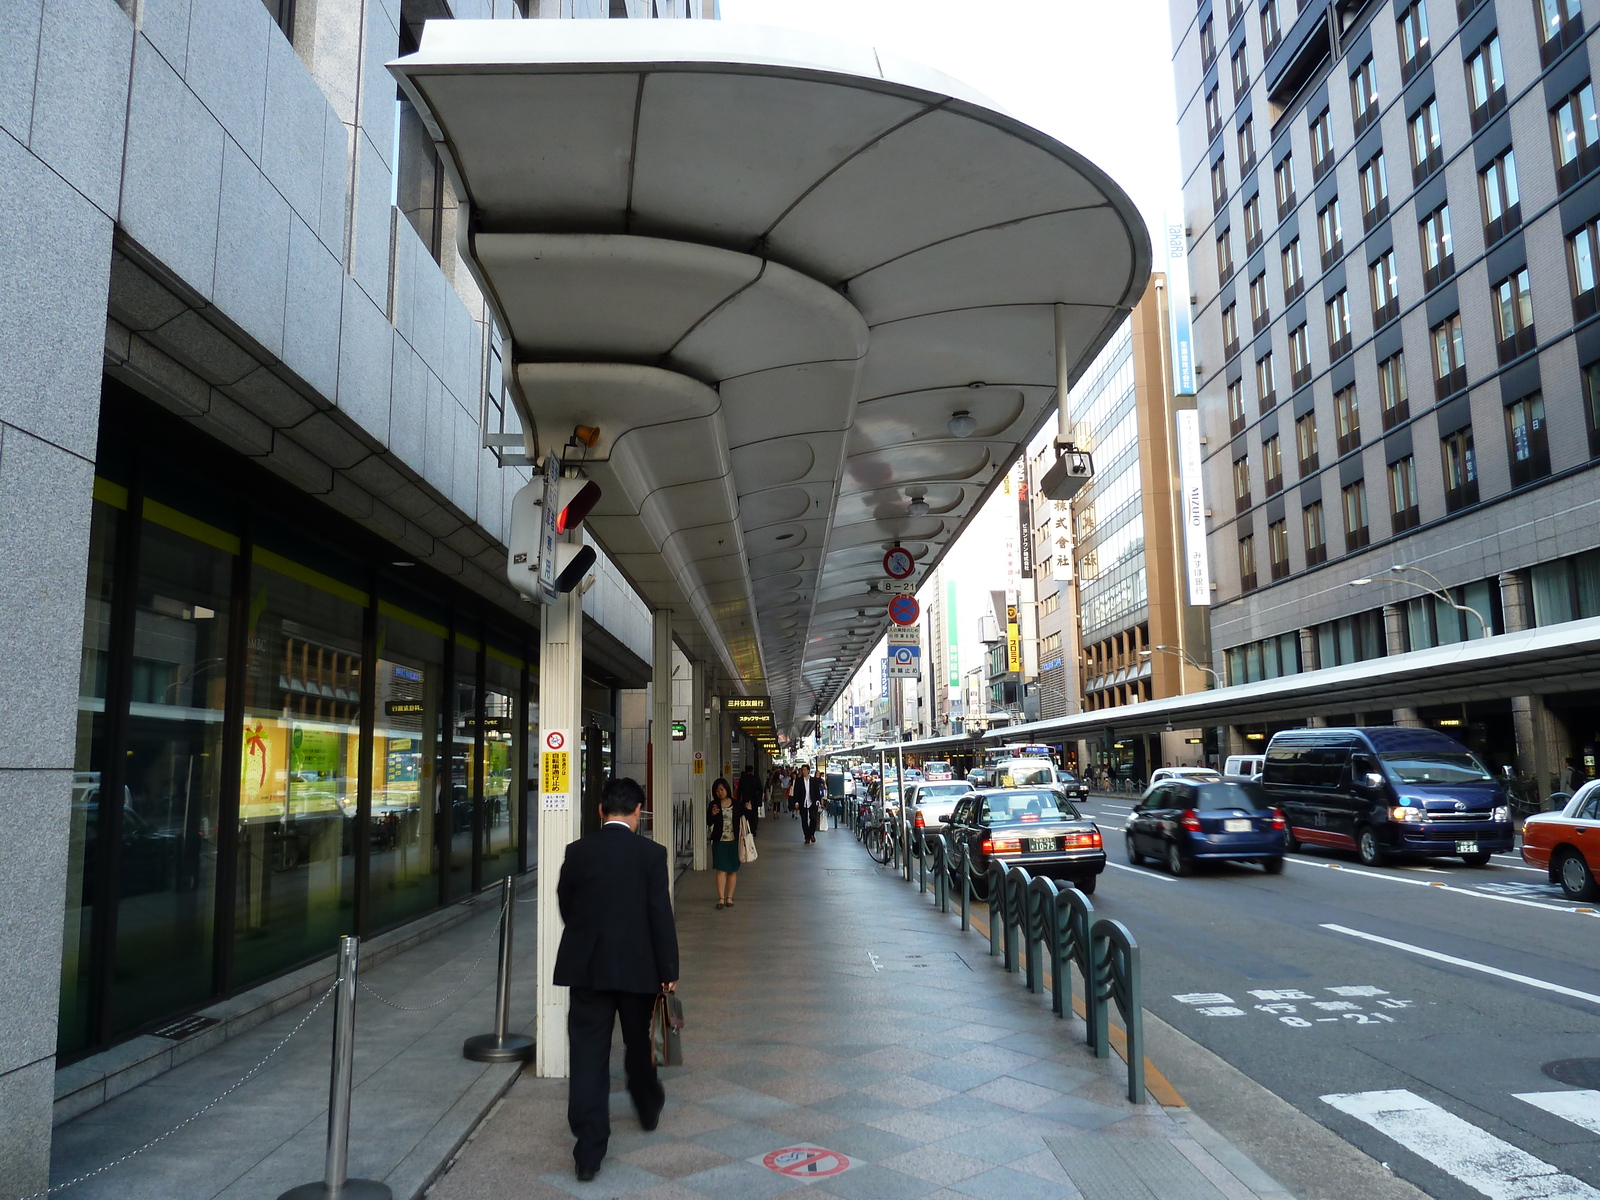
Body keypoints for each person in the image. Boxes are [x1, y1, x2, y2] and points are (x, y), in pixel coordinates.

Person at [553, 777, 679, 1183]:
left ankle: (589, 1152)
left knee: (588, 1054)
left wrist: (589, 936)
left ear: (601, 811)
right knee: (639, 1042)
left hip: (588, 968)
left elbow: (567, 902)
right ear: (638, 813)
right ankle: (647, 1106)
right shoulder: (651, 854)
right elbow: (660, 914)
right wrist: (668, 971)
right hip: (638, 968)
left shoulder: (578, 851)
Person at [708, 776, 750, 908]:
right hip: (719, 841)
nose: (720, 792)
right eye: (717, 791)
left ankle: (729, 898)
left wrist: (748, 809)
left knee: (732, 870)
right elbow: (708, 822)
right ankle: (721, 898)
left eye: (721, 789)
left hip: (734, 841)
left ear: (727, 789)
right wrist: (713, 815)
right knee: (720, 870)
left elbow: (745, 819)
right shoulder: (713, 805)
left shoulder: (736, 804)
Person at [797, 764, 825, 844]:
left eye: (805, 770)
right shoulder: (799, 781)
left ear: (808, 771)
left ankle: (812, 834)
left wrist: (818, 801)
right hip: (803, 802)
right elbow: (797, 792)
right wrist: (796, 802)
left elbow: (817, 792)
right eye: (802, 770)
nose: (803, 771)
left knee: (813, 818)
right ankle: (807, 837)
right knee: (804, 820)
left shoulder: (814, 781)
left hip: (812, 802)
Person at [738, 765, 762, 839]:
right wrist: (759, 797)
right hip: (754, 799)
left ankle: (747, 828)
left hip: (745, 799)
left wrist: (739, 800)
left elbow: (739, 790)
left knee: (746, 814)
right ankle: (753, 829)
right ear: (752, 770)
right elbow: (760, 789)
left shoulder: (742, 779)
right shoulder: (756, 778)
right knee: (754, 814)